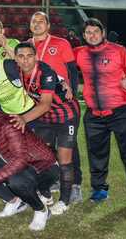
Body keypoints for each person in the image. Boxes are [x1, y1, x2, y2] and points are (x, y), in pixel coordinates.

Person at [74, 18, 126, 208]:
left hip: (121, 111)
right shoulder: (80, 53)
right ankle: (99, 189)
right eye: (88, 33)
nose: (92, 35)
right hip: (94, 115)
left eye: (95, 32)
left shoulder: (118, 51)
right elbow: (61, 62)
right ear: (84, 36)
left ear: (103, 33)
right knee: (96, 155)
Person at [0, 95, 59, 232]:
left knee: (15, 181)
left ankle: (41, 209)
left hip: (43, 166)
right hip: (16, 162)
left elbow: (20, 159)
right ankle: (14, 201)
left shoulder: (8, 124)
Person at [13, 42, 81, 214]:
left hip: (67, 116)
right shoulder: (16, 69)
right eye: (21, 56)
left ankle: (64, 201)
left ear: (35, 57)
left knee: (64, 159)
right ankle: (45, 192)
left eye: (29, 56)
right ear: (16, 59)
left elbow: (44, 105)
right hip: (46, 118)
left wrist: (23, 119)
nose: (26, 60)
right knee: (40, 157)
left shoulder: (46, 72)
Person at [28, 11, 82, 201]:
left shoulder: (61, 43)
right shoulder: (27, 47)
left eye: (41, 21)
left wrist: (72, 93)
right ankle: (55, 179)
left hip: (62, 104)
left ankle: (76, 185)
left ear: (48, 25)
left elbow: (72, 71)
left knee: (69, 146)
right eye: (34, 21)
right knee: (45, 148)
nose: (37, 24)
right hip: (41, 105)